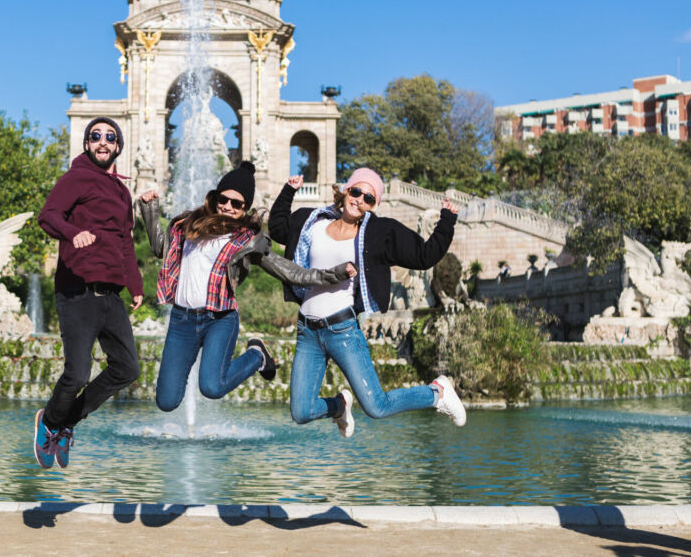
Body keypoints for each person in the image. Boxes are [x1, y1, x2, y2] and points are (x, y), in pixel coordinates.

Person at [137, 161, 354, 413]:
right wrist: (149, 208)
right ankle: (254, 357)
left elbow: (289, 270)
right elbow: (160, 248)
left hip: (219, 319)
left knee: (212, 387)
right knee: (166, 402)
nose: (227, 206)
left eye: (236, 204)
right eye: (223, 199)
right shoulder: (189, 225)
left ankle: (257, 356)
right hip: (181, 320)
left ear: (245, 208)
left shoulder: (248, 241)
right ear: (215, 197)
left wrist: (333, 274)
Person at [269, 168, 467, 437]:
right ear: (346, 190)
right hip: (307, 331)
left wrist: (447, 221)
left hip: (343, 331)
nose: (360, 199)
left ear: (373, 205)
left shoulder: (379, 233)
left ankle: (437, 393)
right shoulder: (312, 220)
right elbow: (278, 230)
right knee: (301, 412)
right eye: (356, 191)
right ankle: (339, 405)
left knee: (377, 407)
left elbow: (423, 256)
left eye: (369, 198)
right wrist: (288, 191)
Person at [34, 117, 142, 469]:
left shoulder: (122, 192)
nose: (102, 142)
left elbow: (125, 242)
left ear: (118, 147)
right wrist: (70, 232)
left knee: (127, 369)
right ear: (86, 144)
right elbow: (48, 215)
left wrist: (135, 285)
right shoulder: (76, 177)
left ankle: (65, 423)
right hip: (77, 290)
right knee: (77, 374)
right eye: (95, 136)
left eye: (110, 137)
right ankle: (49, 421)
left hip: (110, 295)